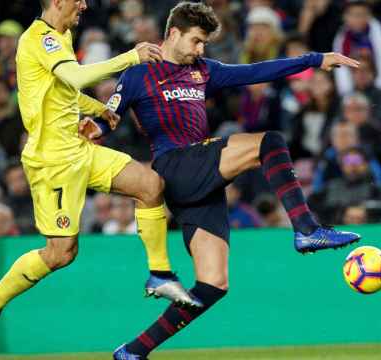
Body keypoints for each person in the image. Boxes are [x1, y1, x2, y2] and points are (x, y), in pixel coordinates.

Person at [94, 3, 362, 359]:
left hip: (200, 182)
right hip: (175, 164)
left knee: (212, 285)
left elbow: (257, 71)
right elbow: (107, 116)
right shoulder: (139, 74)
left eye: (204, 43)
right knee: (270, 142)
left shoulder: (203, 71)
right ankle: (307, 229)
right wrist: (91, 128)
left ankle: (132, 351)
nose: (200, 49)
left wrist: (313, 60)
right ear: (173, 33)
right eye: (196, 41)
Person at [0, 0, 201, 352]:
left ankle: (160, 274)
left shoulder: (61, 36)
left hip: (79, 149)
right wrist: (131, 57)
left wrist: (100, 111)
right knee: (61, 253)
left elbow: (65, 91)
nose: (84, 4)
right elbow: (76, 76)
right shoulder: (39, 39)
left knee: (149, 184)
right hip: (52, 163)